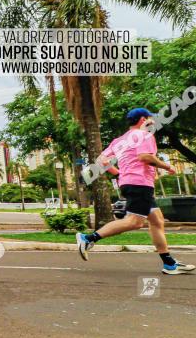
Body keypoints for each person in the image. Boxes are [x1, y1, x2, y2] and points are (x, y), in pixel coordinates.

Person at [76, 108, 195, 275]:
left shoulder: (120, 140)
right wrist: (167, 166)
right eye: (151, 118)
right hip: (140, 184)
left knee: (157, 220)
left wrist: (118, 174)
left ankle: (169, 264)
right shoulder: (145, 135)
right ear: (143, 119)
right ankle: (88, 239)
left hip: (130, 183)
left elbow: (101, 160)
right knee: (135, 222)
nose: (153, 121)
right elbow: (144, 157)